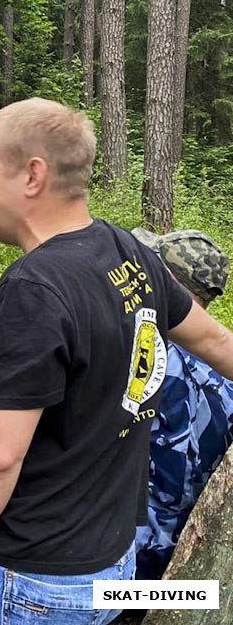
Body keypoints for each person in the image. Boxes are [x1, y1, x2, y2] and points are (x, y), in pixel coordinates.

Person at [0, 98, 233, 625]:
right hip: (112, 567)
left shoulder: (33, 289)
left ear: (32, 175)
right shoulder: (124, 248)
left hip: (35, 581)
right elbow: (218, 344)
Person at [131, 228, 233, 580]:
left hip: (125, 568)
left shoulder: (145, 357)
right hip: (178, 568)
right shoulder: (223, 375)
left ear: (169, 283)